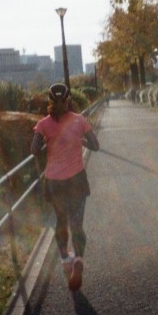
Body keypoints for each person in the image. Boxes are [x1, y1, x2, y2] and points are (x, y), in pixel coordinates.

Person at [31, 83, 100, 291]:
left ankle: (65, 260)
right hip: (77, 180)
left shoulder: (43, 124)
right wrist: (81, 141)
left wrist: (49, 143)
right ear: (69, 99)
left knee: (61, 223)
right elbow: (95, 146)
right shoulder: (79, 121)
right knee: (77, 224)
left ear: (49, 101)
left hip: (54, 183)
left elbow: (34, 150)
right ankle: (78, 258)